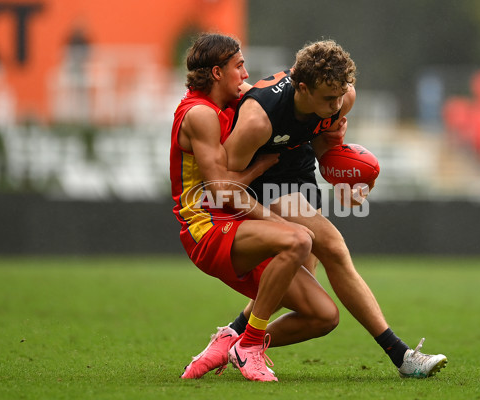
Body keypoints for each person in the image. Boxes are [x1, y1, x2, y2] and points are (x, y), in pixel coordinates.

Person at [181, 39, 447, 380]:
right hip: (263, 177)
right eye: (327, 99)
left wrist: (342, 177)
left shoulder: (340, 97)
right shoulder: (257, 120)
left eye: (340, 97)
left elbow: (324, 144)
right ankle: (402, 355)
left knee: (301, 280)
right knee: (334, 247)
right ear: (301, 87)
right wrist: (266, 210)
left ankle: (235, 338)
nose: (336, 105)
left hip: (299, 170)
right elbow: (227, 183)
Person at [170, 33, 346, 382]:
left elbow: (270, 98)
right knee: (298, 239)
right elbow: (221, 190)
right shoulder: (201, 114)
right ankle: (249, 344)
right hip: (206, 228)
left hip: (233, 225)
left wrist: (333, 127)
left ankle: (230, 341)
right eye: (239, 66)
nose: (246, 73)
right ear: (218, 73)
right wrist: (260, 169)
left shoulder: (226, 106)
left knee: (324, 316)